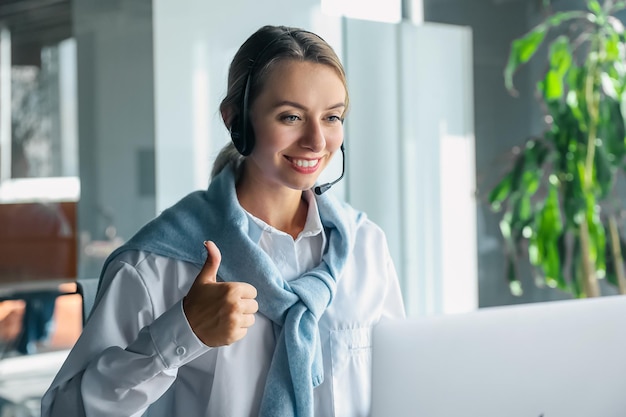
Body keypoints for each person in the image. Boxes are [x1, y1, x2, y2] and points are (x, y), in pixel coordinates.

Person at [41, 24, 405, 417]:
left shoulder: (365, 246)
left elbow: (401, 387)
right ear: (236, 121)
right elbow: (65, 410)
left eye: (332, 117)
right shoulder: (156, 265)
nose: (317, 141)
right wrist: (180, 332)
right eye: (291, 117)